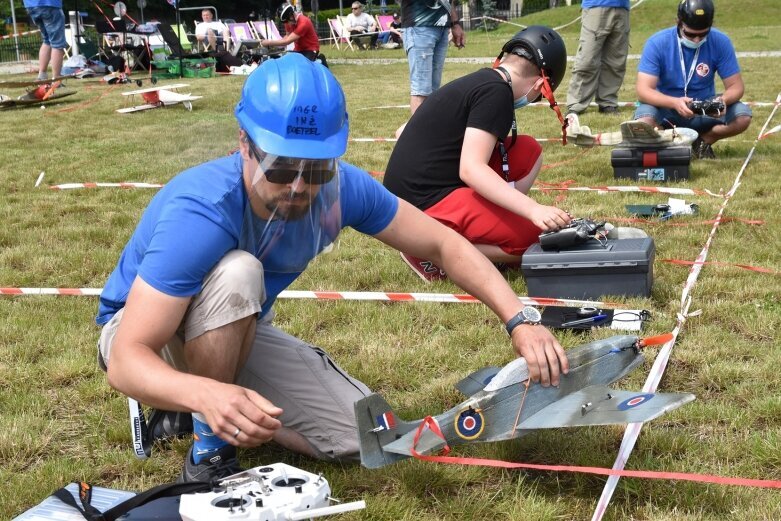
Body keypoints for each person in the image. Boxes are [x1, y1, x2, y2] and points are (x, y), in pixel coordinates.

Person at [96, 53, 569, 483]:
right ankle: (208, 451)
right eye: (282, 167)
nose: (301, 186)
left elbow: (444, 244)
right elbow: (126, 357)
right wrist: (206, 395)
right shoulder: (200, 210)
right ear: (244, 143)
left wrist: (519, 320)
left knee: (361, 435)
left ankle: (193, 404)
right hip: (141, 334)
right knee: (239, 272)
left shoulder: (342, 191)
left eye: (318, 167)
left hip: (232, 325)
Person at [384, 26, 572, 281]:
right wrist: (533, 210)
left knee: (528, 151)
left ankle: (483, 230)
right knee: (533, 240)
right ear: (541, 84)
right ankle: (430, 252)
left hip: (410, 194)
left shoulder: (480, 81)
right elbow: (471, 169)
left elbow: (402, 130)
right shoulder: (497, 94)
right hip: (422, 203)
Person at [633, 0, 752, 159]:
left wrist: (722, 101)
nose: (696, 39)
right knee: (644, 123)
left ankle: (703, 141)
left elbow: (736, 86)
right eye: (690, 34)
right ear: (678, 22)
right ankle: (668, 143)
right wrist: (674, 102)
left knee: (742, 117)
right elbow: (643, 90)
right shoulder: (657, 43)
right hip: (665, 109)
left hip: (704, 109)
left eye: (703, 34)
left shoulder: (721, 41)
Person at [566, 0, 630, 115]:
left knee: (616, 61)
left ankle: (608, 102)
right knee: (587, 59)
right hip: (595, 5)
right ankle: (576, 104)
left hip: (622, 8)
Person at [401, 0, 465, 114]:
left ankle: (429, 129)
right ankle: (418, 131)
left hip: (443, 27)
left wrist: (455, 23)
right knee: (421, 89)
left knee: (434, 90)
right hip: (419, 25)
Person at [23, 0, 67, 81]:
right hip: (50, 4)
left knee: (47, 40)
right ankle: (56, 79)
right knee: (57, 43)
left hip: (31, 6)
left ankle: (42, 76)